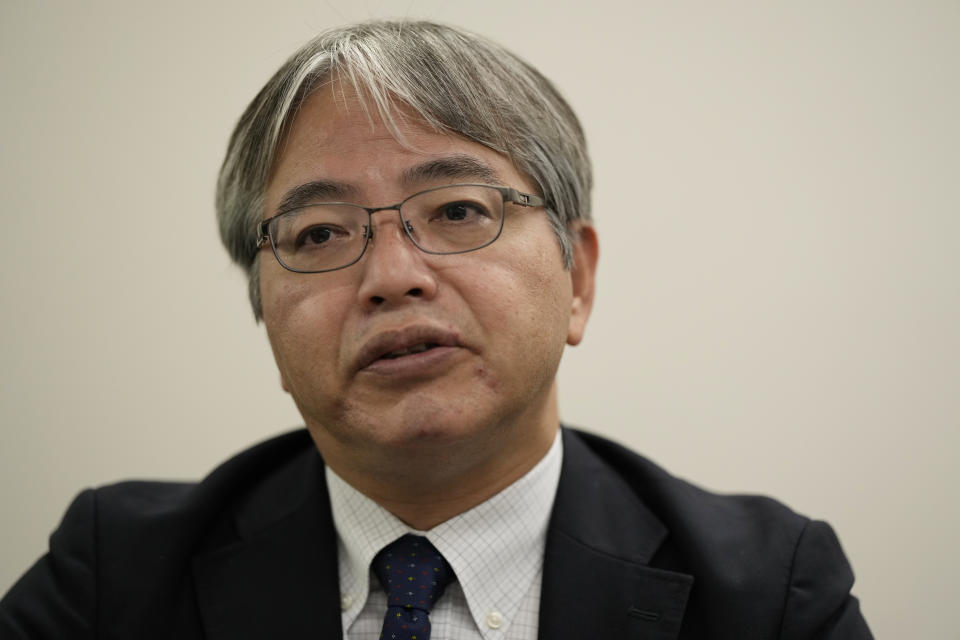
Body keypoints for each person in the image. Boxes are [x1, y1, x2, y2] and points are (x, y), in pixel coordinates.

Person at [0, 20, 872, 639]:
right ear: (263, 313)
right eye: (319, 235)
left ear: (578, 278)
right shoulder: (116, 575)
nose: (391, 277)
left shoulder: (768, 593)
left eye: (458, 210)